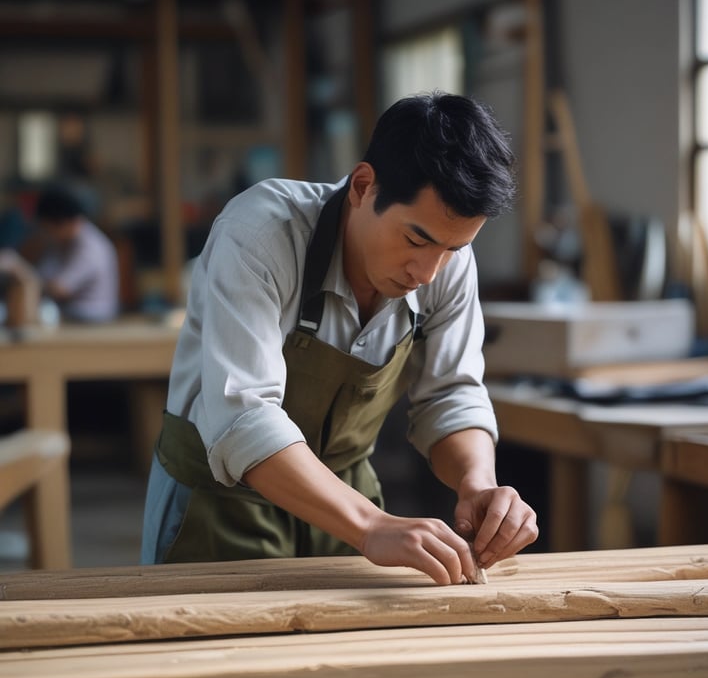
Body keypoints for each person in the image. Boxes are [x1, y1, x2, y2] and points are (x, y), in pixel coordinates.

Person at [141, 91, 538, 585]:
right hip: (218, 503)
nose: (427, 272)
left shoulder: (446, 260)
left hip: (347, 500)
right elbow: (243, 418)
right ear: (363, 186)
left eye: (453, 249)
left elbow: (451, 394)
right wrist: (370, 525)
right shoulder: (261, 234)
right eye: (415, 240)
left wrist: (476, 482)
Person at [22, 183, 119, 322]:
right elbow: (44, 272)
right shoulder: (61, 242)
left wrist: (21, 274)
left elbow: (60, 289)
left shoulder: (90, 246)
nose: (47, 233)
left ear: (65, 222)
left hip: (92, 319)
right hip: (70, 314)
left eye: (49, 227)